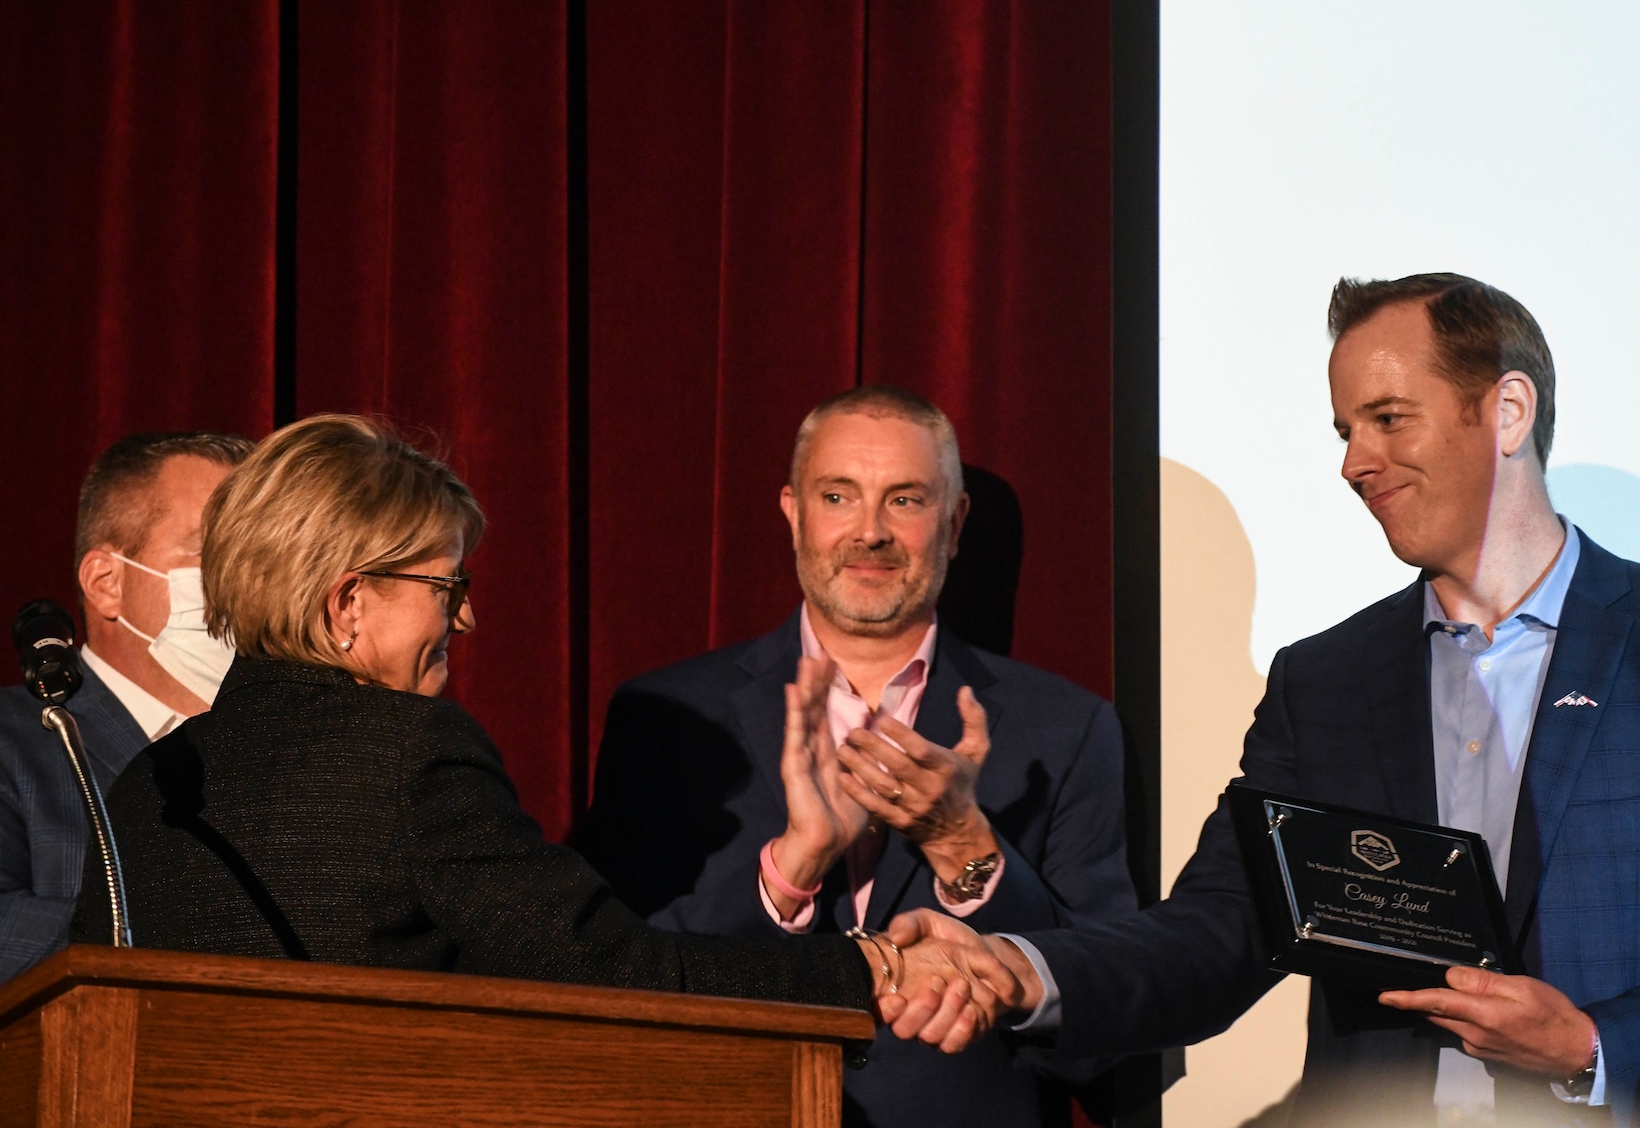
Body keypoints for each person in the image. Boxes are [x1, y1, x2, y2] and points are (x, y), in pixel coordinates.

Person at [892, 275, 1640, 1126]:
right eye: (1344, 429)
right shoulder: (1325, 680)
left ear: (1507, 412)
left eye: (1387, 418)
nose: (1352, 462)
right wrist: (1024, 968)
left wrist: (1587, 1042)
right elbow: (1215, 931)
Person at [70, 414, 997, 1042]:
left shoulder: (149, 781)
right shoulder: (410, 755)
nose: (465, 621)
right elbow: (610, 973)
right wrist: (866, 966)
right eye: (446, 588)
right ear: (348, 601)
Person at [581, 385, 1135, 1126]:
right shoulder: (667, 718)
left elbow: (1102, 1030)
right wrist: (790, 868)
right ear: (793, 512)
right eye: (839, 495)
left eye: (905, 500)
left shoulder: (1067, 728)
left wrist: (967, 852)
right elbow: (611, 988)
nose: (869, 532)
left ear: (955, 521)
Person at [0, 430, 252, 981]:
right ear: (106, 583)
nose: (250, 584)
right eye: (217, 553)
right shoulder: (16, 743)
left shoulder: (292, 749)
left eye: (263, 558)